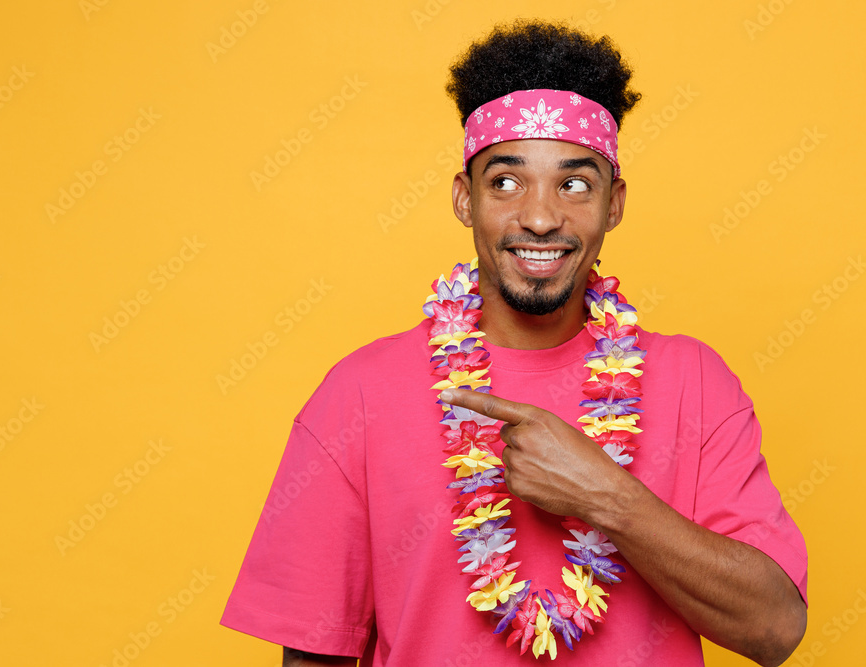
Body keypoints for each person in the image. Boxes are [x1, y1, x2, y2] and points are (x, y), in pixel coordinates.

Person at [221, 20, 807, 667]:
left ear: (614, 204)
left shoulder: (697, 381)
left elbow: (774, 628)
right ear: (463, 199)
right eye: (505, 181)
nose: (538, 215)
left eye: (574, 183)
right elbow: (313, 656)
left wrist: (606, 496)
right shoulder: (357, 394)